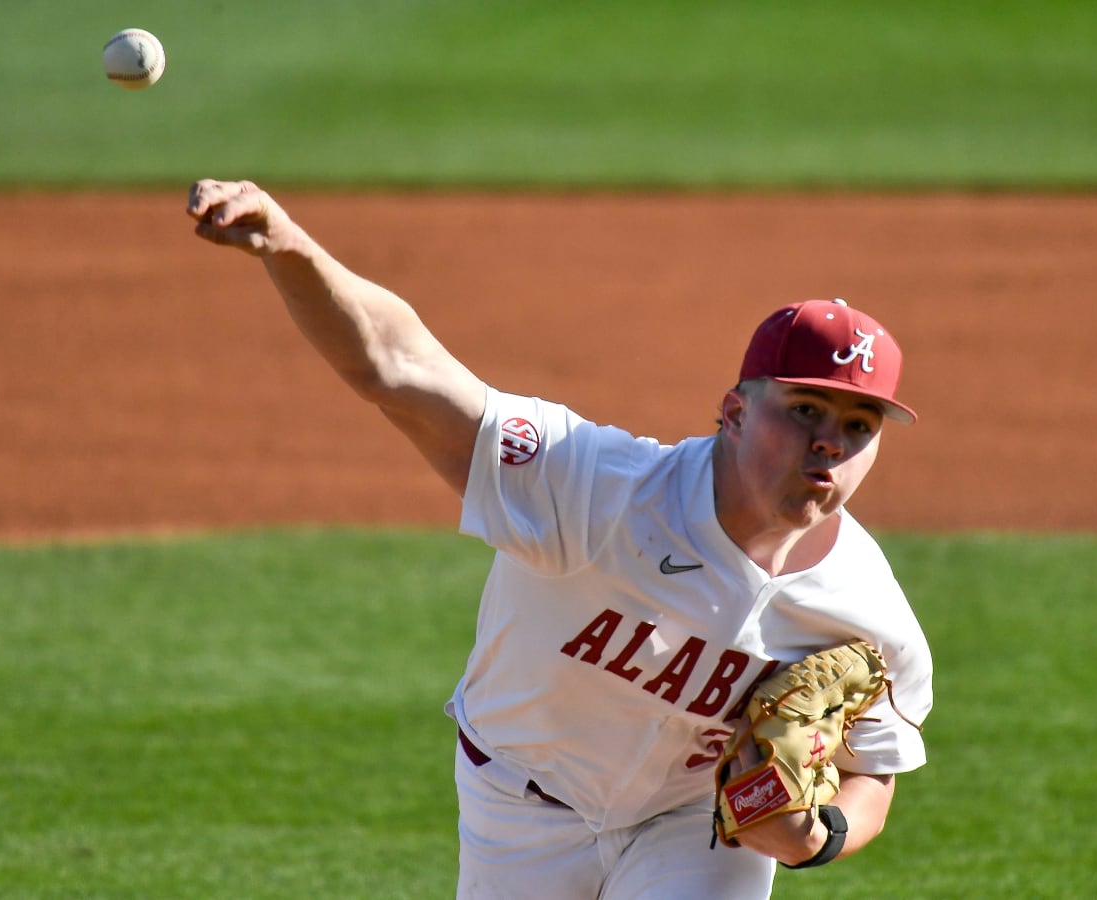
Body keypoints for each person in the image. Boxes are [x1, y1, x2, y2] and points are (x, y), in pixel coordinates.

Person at [186, 179, 933, 899]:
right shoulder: (596, 490)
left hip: (689, 826)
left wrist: (821, 835)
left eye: (857, 427)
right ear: (735, 411)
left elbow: (879, 766)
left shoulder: (867, 611)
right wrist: (287, 246)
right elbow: (400, 368)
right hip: (518, 804)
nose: (829, 444)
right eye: (804, 411)